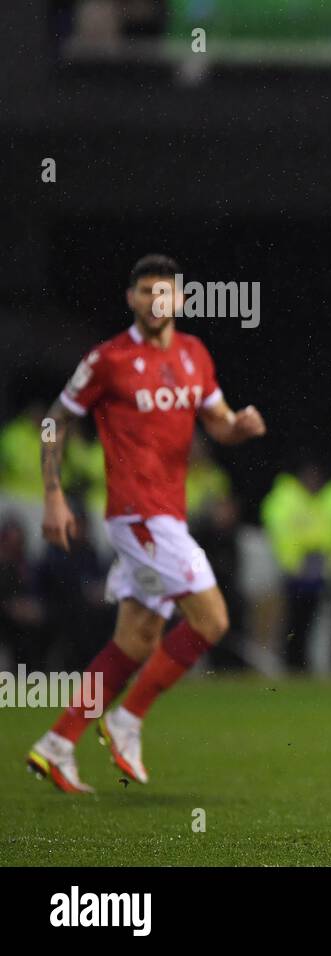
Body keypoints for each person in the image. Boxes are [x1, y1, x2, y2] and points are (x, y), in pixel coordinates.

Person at [26, 254, 266, 793]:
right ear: (132, 299)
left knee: (135, 639)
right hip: (139, 516)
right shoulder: (109, 359)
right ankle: (128, 717)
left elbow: (218, 424)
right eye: (145, 292)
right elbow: (54, 420)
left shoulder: (193, 355)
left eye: (166, 292)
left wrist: (240, 427)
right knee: (212, 621)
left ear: (179, 300)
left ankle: (58, 743)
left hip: (167, 514)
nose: (156, 301)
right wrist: (53, 495)